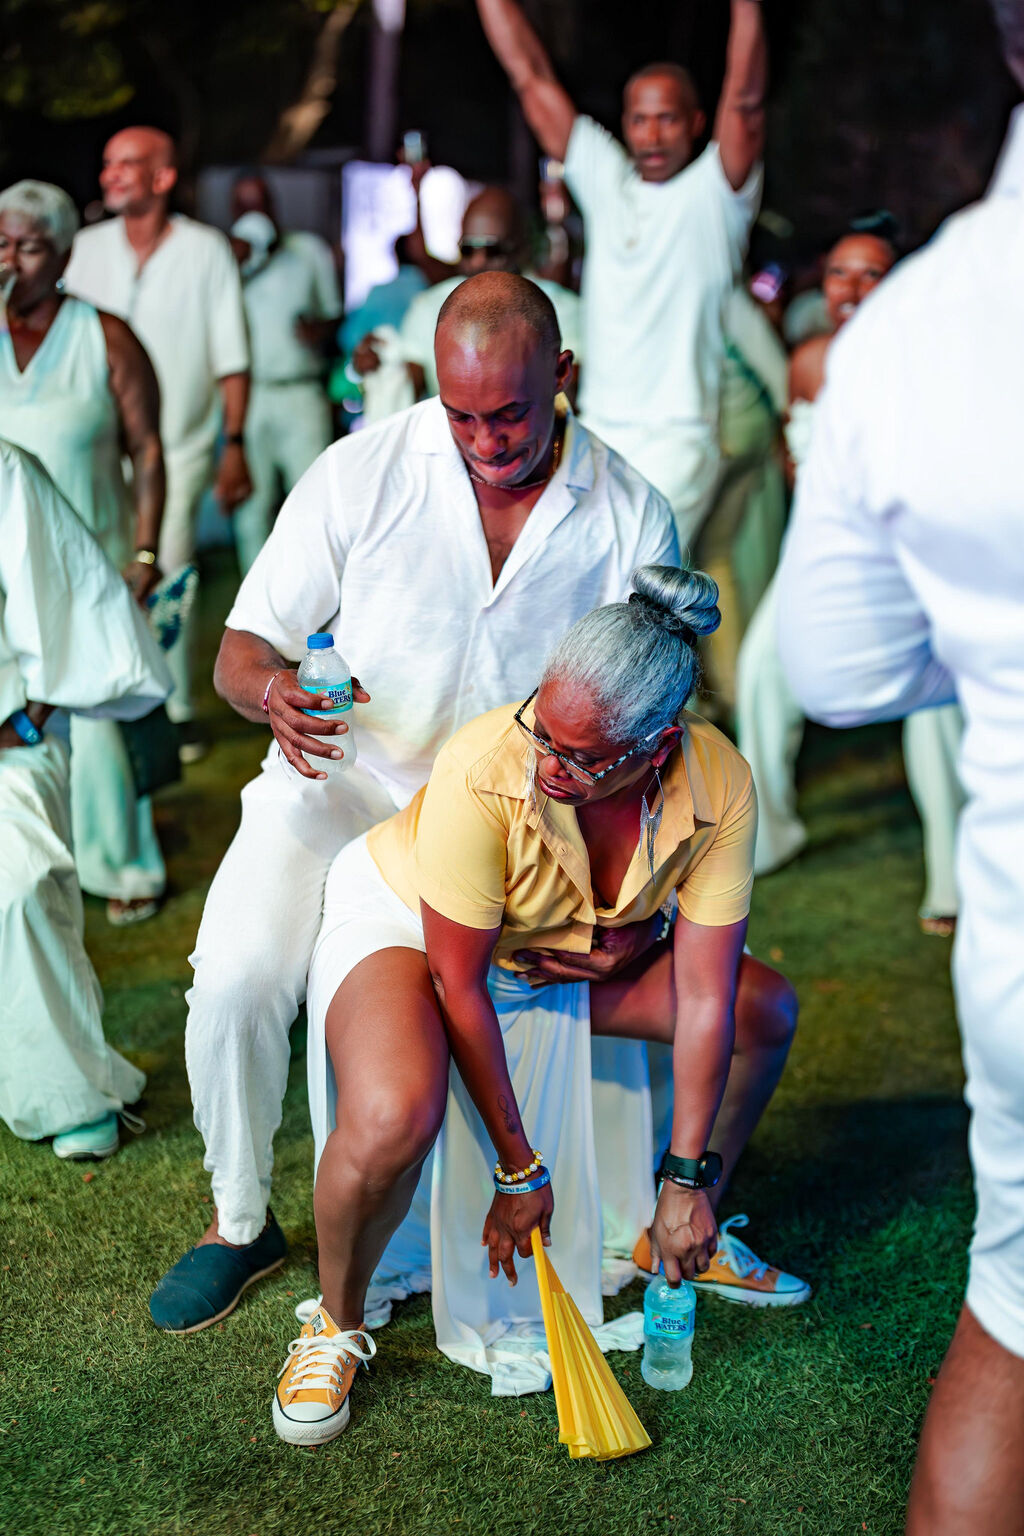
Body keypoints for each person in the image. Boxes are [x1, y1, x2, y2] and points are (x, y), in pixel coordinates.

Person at [147, 271, 676, 1334]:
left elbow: (657, 718)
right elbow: (240, 650)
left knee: (517, 1005)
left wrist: (642, 907)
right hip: (337, 784)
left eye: (510, 414)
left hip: (512, 830)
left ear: (563, 375)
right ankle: (239, 1221)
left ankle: (540, 1216)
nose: (485, 441)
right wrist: (273, 693)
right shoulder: (360, 473)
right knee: (237, 979)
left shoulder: (630, 513)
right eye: (461, 414)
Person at [272, 567, 806, 1443]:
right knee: (394, 1111)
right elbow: (461, 983)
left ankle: (675, 1229)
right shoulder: (486, 767)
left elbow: (707, 992)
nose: (547, 764)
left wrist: (685, 1178)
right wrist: (519, 1170)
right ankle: (334, 1322)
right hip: (417, 930)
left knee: (763, 1010)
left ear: (658, 747)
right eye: (541, 731)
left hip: (553, 955)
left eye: (581, 757)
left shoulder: (721, 783)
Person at [775, 26, 1024, 1524]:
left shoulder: (916, 330)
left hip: (1022, 950)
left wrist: (990, 651)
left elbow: (843, 669)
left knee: (1012, 1317)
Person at [736, 229, 964, 933]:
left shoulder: (927, 363)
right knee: (760, 669)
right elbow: (792, 455)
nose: (852, 289)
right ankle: (767, 836)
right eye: (840, 272)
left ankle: (951, 879)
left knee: (936, 713)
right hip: (822, 550)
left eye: (872, 274)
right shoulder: (808, 362)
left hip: (909, 553)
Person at [476, 0, 766, 549]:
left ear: (697, 123)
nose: (651, 135)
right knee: (571, 580)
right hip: (597, 433)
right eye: (639, 119)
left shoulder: (715, 195)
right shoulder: (606, 180)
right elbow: (529, 76)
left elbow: (747, 102)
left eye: (667, 118)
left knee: (636, 587)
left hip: (679, 442)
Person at [0, 179, 168, 926]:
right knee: (20, 716)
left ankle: (123, 862)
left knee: (98, 727)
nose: (11, 260)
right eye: (0, 243)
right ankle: (33, 861)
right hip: (8, 575)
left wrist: (144, 553)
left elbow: (148, 448)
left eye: (30, 247)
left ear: (64, 255)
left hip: (90, 559)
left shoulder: (105, 336)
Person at [0, 439, 170, 1158]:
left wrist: (29, 718)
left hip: (11, 738)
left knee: (20, 884)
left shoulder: (6, 471)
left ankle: (70, 1090)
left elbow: (67, 597)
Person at [64, 127, 251, 761]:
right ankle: (104, 696)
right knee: (97, 566)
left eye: (127, 164)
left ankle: (170, 709)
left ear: (163, 177)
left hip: (179, 445)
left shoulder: (205, 250)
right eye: (107, 163)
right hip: (97, 446)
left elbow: (232, 357)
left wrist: (234, 443)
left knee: (165, 568)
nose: (110, 175)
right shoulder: (84, 248)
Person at [354, 186, 581, 409]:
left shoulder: (562, 309)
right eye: (468, 250)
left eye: (493, 250)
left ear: (521, 249)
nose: (478, 262)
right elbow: (407, 387)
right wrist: (383, 366)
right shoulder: (430, 306)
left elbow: (566, 399)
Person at [227, 183, 341, 574]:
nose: (253, 212)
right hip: (249, 395)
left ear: (272, 206)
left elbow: (334, 315)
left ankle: (314, 595)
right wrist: (237, 262)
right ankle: (255, 601)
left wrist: (317, 330)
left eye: (259, 204)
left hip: (301, 389)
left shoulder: (308, 250)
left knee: (311, 501)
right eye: (244, 205)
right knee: (251, 507)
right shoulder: (227, 260)